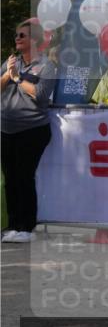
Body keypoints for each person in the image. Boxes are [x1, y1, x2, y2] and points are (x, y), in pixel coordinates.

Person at [1, 20, 57, 243]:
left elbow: (41, 95)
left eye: (22, 35)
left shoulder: (46, 66)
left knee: (24, 176)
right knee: (10, 178)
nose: (17, 39)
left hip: (33, 130)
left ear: (34, 40)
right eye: (16, 35)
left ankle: (27, 227)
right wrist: (8, 75)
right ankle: (13, 225)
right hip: (6, 129)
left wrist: (18, 78)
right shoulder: (10, 62)